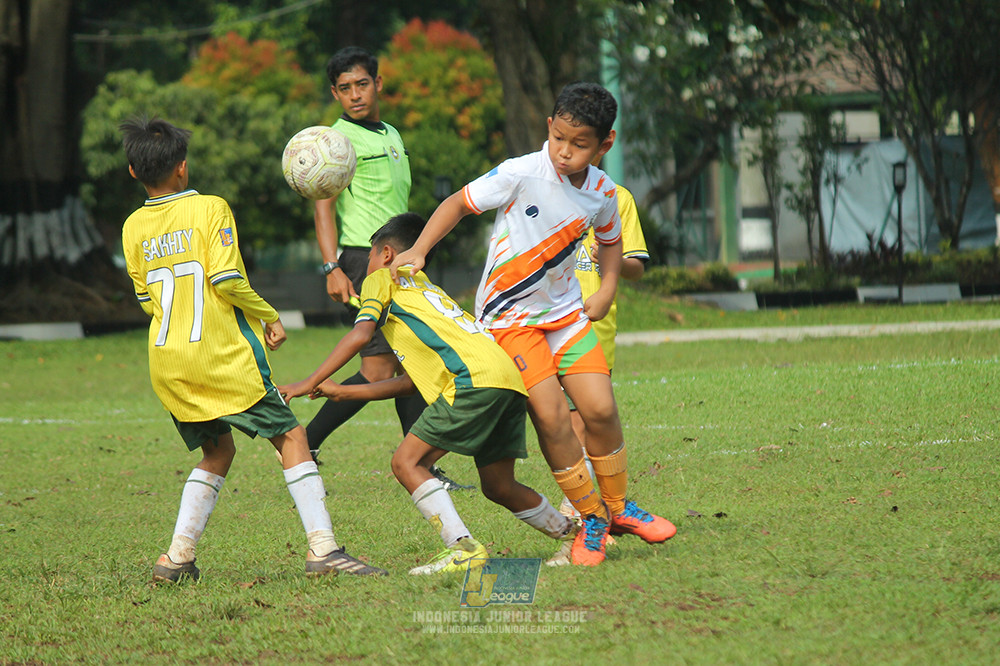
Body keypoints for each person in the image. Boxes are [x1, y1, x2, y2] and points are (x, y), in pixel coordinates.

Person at [390, 82, 676, 566]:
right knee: (549, 415)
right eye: (559, 138)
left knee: (601, 410)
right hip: (510, 320)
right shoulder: (521, 172)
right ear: (550, 126)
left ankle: (619, 506)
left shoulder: (605, 193)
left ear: (605, 144)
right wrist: (419, 249)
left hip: (565, 316)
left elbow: (610, 242)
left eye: (579, 144)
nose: (564, 152)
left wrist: (606, 288)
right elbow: (458, 202)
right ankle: (590, 520)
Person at [119, 116, 385, 581]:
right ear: (182, 168)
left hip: (168, 363)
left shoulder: (132, 226)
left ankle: (177, 559)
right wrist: (268, 315)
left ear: (133, 172)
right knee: (293, 437)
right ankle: (323, 550)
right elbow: (226, 278)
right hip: (222, 358)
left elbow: (147, 300)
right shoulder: (210, 209)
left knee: (217, 451)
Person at [279, 214, 577, 574]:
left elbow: (359, 335)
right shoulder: (425, 289)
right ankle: (577, 537)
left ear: (386, 254)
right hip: (505, 379)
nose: (368, 266)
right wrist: (345, 392)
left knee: (406, 463)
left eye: (371, 256)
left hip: (471, 381)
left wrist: (305, 383)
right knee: (499, 485)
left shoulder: (380, 279)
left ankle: (462, 548)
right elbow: (413, 382)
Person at [308, 46, 468, 490]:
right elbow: (324, 208)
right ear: (335, 93)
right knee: (382, 369)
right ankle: (308, 442)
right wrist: (331, 267)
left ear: (378, 84)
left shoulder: (392, 134)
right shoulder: (333, 143)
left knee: (408, 363)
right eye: (344, 88)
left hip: (400, 260)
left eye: (362, 84)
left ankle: (420, 464)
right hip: (364, 258)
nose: (354, 95)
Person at [560, 179, 649, 518]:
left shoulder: (617, 197)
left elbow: (636, 267)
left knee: (581, 419)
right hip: (548, 322)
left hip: (595, 328)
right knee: (561, 422)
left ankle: (580, 511)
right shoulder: (541, 188)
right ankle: (590, 507)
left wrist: (610, 257)